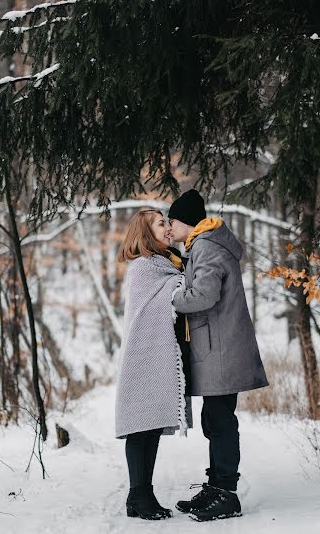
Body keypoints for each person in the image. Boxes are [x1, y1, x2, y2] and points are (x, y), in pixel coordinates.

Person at [169, 189, 269, 522]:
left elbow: (203, 295)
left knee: (221, 421)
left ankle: (226, 493)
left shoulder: (208, 246)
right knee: (216, 418)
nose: (169, 227)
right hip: (217, 346)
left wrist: (173, 297)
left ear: (186, 221)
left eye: (172, 221)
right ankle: (216, 487)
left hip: (222, 348)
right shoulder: (203, 243)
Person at [115, 209, 192, 520]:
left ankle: (141, 494)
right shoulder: (144, 267)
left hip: (157, 351)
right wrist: (180, 285)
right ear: (146, 233)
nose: (168, 227)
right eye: (161, 224)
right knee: (139, 425)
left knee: (151, 426)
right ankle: (139, 494)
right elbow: (161, 300)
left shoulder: (166, 262)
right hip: (141, 353)